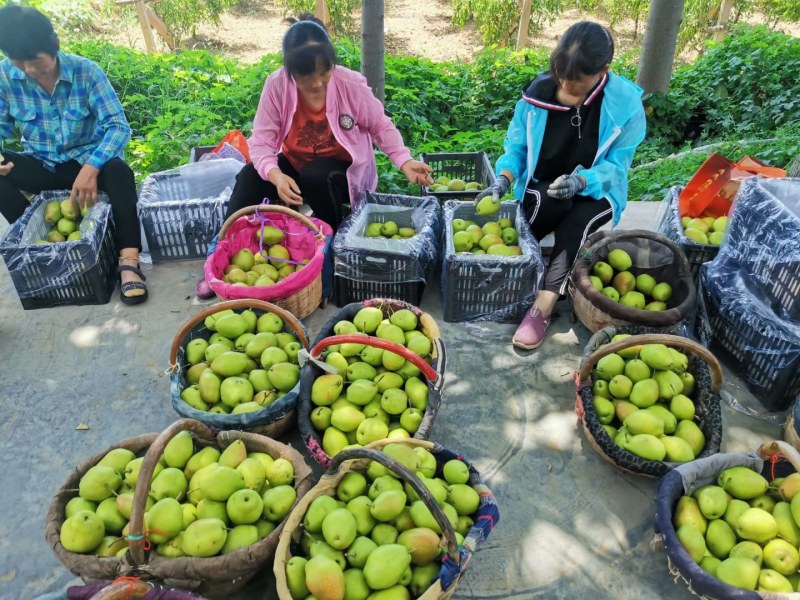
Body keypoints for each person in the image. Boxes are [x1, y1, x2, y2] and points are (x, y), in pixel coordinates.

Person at [196, 13, 433, 299]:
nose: (319, 83)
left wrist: (404, 161)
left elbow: (380, 125)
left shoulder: (350, 85)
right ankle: (218, 256)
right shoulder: (276, 86)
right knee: (249, 176)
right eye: (308, 76)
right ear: (291, 71)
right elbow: (261, 143)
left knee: (316, 176)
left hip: (342, 169)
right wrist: (276, 175)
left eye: (325, 71)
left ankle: (330, 258)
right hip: (295, 163)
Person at [477, 21, 646, 350]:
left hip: (595, 191)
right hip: (544, 188)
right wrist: (503, 178)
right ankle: (519, 266)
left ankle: (543, 305)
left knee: (577, 220)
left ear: (603, 71)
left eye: (577, 84)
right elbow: (516, 149)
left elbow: (617, 166)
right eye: (561, 79)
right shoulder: (536, 95)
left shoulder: (624, 106)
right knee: (544, 201)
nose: (566, 88)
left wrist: (583, 180)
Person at [0, 5, 147, 305]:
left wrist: (92, 166)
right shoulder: (5, 78)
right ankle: (37, 251)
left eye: (34, 60)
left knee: (119, 172)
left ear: (54, 44)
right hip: (40, 165)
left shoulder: (85, 72)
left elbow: (118, 126)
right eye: (18, 62)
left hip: (84, 165)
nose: (28, 69)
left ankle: (129, 262)